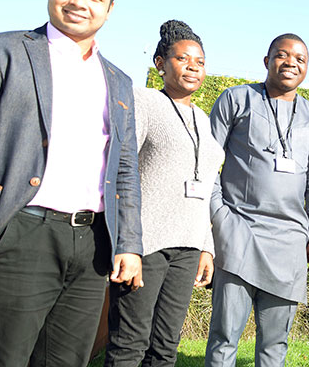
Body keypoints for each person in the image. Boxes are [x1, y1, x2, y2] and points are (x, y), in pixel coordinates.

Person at [0, 0, 142, 366]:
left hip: (93, 243)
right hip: (24, 232)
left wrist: (128, 244)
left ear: (109, 9)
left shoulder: (118, 80)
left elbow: (125, 169)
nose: (79, 1)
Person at [104, 20, 224, 366]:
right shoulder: (143, 102)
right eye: (183, 59)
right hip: (146, 244)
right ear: (160, 63)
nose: (193, 68)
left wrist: (206, 246)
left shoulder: (202, 118)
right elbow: (121, 170)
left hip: (187, 248)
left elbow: (205, 188)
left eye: (199, 62)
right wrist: (127, 244)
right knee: (130, 343)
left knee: (165, 347)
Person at [204, 33, 309, 367]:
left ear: (307, 68)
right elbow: (206, 162)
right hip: (238, 232)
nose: (290, 63)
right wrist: (220, 217)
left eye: (300, 58)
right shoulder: (236, 99)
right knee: (224, 338)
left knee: (275, 344)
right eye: (282, 55)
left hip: (289, 244)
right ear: (267, 60)